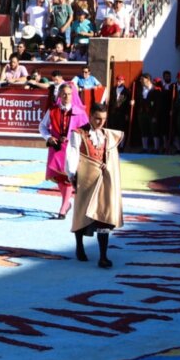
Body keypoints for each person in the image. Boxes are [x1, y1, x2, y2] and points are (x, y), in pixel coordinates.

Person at [66, 102, 123, 269]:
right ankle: (79, 246)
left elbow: (111, 156)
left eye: (103, 119)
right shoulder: (78, 134)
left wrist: (108, 165)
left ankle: (103, 256)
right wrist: (72, 174)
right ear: (90, 116)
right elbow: (73, 154)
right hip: (85, 179)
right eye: (97, 118)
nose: (100, 122)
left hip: (103, 180)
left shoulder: (107, 135)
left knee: (103, 216)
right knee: (81, 212)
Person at [39, 81, 89, 220]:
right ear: (59, 95)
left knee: (68, 177)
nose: (67, 97)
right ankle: (66, 203)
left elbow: (87, 131)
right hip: (56, 148)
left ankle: (63, 208)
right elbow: (42, 126)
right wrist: (49, 137)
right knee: (59, 178)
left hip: (71, 148)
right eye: (64, 94)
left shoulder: (79, 112)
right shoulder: (52, 110)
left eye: (69, 94)